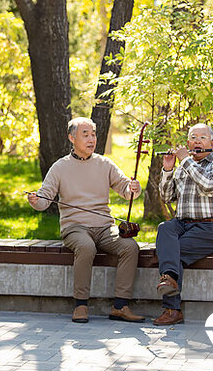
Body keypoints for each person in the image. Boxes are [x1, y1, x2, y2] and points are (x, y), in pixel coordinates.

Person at [27, 117, 144, 324]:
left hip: (105, 228)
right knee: (86, 247)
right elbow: (44, 200)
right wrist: (35, 200)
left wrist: (133, 188)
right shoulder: (60, 167)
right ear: (72, 138)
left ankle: (120, 306)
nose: (91, 139)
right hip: (75, 228)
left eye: (93, 134)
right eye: (85, 134)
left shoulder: (104, 163)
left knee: (129, 246)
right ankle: (80, 304)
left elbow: (125, 188)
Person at [153, 123, 213, 326]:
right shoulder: (183, 167)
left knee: (173, 252)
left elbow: (208, 185)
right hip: (183, 224)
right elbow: (167, 197)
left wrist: (185, 161)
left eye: (203, 137)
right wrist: (168, 170)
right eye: (193, 137)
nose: (197, 141)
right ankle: (169, 280)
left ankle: (172, 308)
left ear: (212, 142)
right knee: (165, 228)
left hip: (210, 228)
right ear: (188, 143)